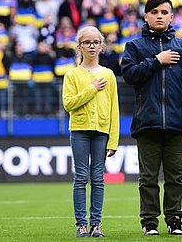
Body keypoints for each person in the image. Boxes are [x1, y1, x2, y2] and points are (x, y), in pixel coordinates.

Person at [120, 0, 182, 236]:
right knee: (148, 178)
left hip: (177, 123)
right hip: (147, 122)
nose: (159, 16)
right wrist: (157, 60)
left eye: (164, 12)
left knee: (176, 177)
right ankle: (149, 222)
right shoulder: (134, 47)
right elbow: (130, 75)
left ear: (172, 17)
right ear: (145, 16)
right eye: (154, 12)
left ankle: (174, 220)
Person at [62, 26, 120, 238]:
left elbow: (114, 108)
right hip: (79, 130)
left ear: (101, 45)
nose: (92, 46)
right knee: (80, 177)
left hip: (102, 130)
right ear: (79, 47)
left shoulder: (109, 74)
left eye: (95, 42)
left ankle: (96, 224)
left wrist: (113, 140)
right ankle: (81, 225)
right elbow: (68, 104)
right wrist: (92, 88)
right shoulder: (72, 75)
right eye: (87, 42)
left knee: (98, 178)